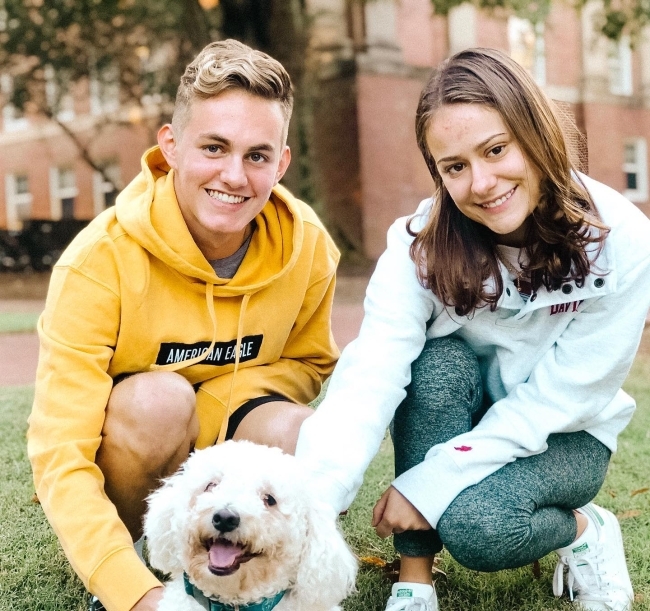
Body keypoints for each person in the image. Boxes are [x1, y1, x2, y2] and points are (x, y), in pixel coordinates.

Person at [296, 47, 650, 611]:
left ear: (533, 133)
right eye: (455, 167)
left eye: (496, 149)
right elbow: (374, 369)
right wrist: (314, 495)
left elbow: (564, 397)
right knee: (434, 365)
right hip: (458, 411)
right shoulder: (419, 245)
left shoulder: (621, 239)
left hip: (565, 433)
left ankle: (586, 529)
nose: (482, 183)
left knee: (479, 529)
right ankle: (415, 579)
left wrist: (430, 483)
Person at [27, 39, 340, 611]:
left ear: (282, 162)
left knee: (301, 431)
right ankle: (138, 556)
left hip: (223, 459)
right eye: (214, 147)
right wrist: (135, 596)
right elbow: (60, 453)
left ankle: (263, 574)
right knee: (158, 403)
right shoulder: (97, 262)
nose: (234, 175)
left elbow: (310, 363)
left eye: (257, 155)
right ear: (170, 146)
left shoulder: (308, 247)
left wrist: (209, 414)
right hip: (133, 461)